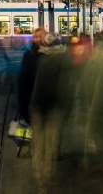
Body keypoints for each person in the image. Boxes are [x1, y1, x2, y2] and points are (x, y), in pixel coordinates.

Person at [30, 32, 65, 194]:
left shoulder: (38, 58)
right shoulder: (61, 61)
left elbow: (27, 83)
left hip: (37, 107)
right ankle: (47, 179)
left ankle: (39, 177)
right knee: (50, 146)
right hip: (53, 108)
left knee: (38, 144)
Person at [17, 27, 46, 124]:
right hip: (32, 100)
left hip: (47, 103)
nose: (37, 39)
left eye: (40, 37)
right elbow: (23, 80)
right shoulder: (28, 55)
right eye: (35, 37)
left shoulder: (52, 55)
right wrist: (22, 106)